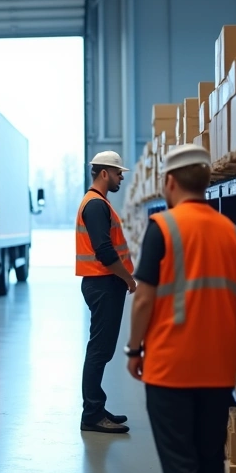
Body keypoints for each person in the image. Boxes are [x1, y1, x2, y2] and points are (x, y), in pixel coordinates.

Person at [125, 144, 236, 473]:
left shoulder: (163, 228)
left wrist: (133, 348)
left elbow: (144, 300)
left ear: (170, 182)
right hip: (219, 370)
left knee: (181, 467)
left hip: (172, 370)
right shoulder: (232, 233)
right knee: (211, 462)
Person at [76, 150, 137, 434]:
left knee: (101, 349)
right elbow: (103, 251)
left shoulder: (98, 204)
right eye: (117, 173)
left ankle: (96, 408)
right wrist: (128, 279)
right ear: (104, 173)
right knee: (99, 350)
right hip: (103, 284)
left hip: (103, 283)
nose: (121, 177)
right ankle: (92, 415)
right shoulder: (95, 205)